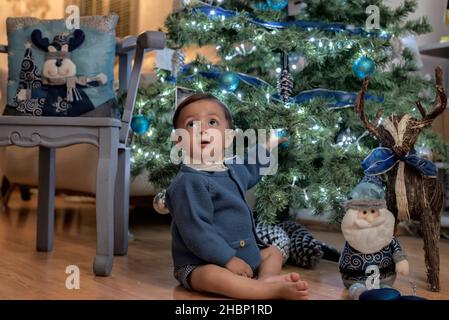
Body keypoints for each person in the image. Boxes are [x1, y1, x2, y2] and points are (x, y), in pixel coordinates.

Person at [166, 93, 309, 299]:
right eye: (191, 125)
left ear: (229, 138)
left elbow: (251, 165)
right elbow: (197, 232)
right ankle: (264, 291)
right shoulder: (188, 182)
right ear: (179, 141)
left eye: (212, 122)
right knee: (213, 276)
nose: (203, 129)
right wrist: (227, 260)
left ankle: (265, 279)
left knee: (273, 252)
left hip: (243, 254)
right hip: (198, 263)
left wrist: (269, 145)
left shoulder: (232, 168)